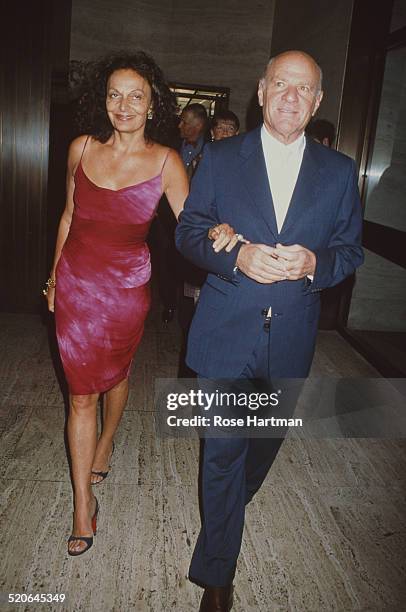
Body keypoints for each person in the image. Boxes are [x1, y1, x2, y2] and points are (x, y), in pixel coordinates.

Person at [176, 50, 364, 611]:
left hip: (291, 336)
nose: (289, 96)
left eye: (302, 89)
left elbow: (349, 250)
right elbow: (188, 233)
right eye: (280, 84)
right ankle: (218, 576)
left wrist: (314, 265)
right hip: (226, 330)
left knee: (260, 449)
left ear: (317, 102)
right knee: (223, 450)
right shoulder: (222, 156)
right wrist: (235, 258)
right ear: (260, 92)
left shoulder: (337, 171)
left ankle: (228, 509)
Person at [44, 51, 234, 557]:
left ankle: (107, 439)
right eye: (114, 94)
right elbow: (67, 216)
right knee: (80, 392)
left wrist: (217, 228)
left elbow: (191, 222)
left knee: (117, 372)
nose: (123, 105)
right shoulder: (80, 149)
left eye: (135, 96)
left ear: (153, 106)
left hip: (126, 289)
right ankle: (83, 502)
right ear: (101, 101)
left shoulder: (166, 161)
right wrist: (53, 275)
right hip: (77, 285)